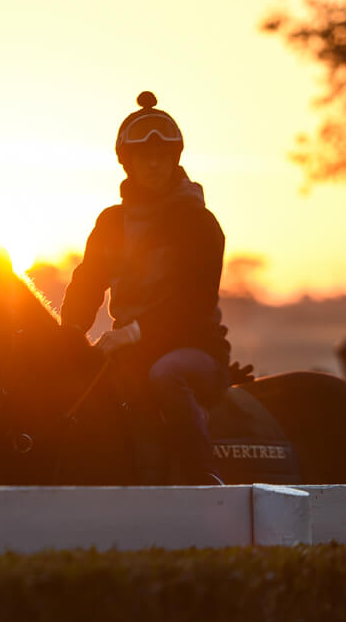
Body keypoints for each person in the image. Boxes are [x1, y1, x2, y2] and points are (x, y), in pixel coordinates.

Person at [60, 91, 230, 485]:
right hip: (131, 350)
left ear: (175, 160)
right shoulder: (111, 222)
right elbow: (87, 283)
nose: (154, 164)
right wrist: (69, 334)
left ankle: (204, 479)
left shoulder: (201, 224)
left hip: (195, 349)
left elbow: (194, 304)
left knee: (164, 375)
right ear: (127, 163)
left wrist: (132, 334)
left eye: (163, 156)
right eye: (144, 157)